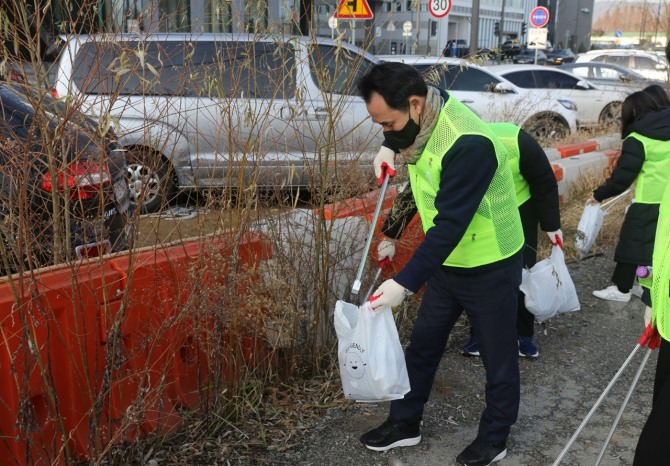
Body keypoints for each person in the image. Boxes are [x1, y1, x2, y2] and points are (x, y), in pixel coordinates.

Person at [356, 62, 524, 465]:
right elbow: (418, 176)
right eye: (379, 125)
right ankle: (404, 424)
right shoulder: (424, 122)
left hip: (490, 262)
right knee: (423, 346)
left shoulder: (469, 143)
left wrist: (405, 283)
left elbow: (449, 225)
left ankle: (494, 437)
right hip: (448, 264)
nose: (387, 131)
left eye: (389, 124)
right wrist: (389, 148)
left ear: (414, 105)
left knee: (498, 357)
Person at [461, 123, 562, 359]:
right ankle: (480, 335)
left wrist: (551, 225)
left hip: (519, 208)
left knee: (522, 273)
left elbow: (544, 182)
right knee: (481, 273)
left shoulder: (516, 140)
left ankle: (524, 334)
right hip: (481, 212)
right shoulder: (454, 146)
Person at [590, 90, 670, 305]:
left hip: (648, 202)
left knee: (632, 247)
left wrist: (599, 195)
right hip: (668, 201)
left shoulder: (638, 138)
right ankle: (647, 288)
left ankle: (622, 289)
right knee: (656, 248)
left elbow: (621, 178)